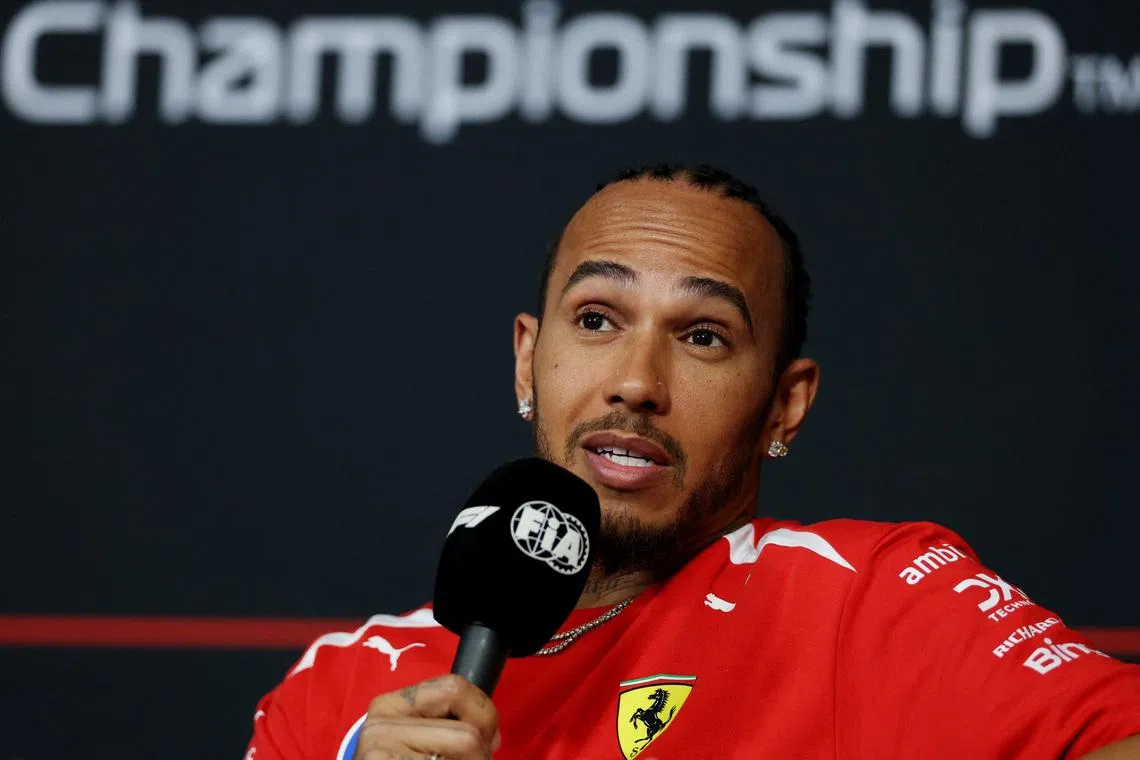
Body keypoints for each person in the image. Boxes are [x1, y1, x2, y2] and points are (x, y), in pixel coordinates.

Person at [246, 164, 1140, 759]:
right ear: (528, 358)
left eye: (704, 336)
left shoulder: (868, 600)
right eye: (597, 319)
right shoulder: (342, 689)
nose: (636, 382)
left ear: (784, 405)